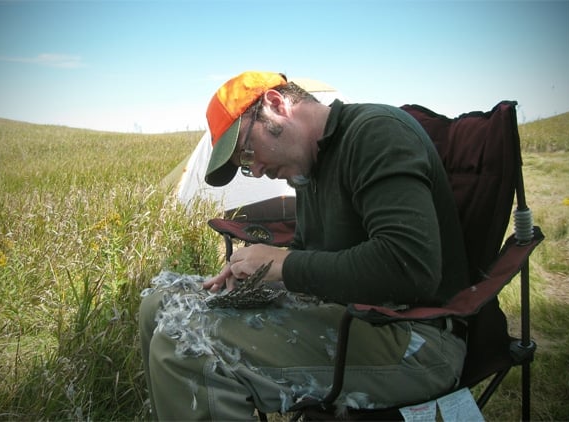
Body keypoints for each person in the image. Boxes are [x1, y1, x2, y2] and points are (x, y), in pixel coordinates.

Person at [140, 71, 470, 420]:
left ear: (276, 104)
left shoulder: (376, 132)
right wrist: (261, 275)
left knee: (183, 345)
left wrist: (283, 263)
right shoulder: (308, 166)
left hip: (414, 337)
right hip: (349, 313)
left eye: (248, 153)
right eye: (246, 167)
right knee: (157, 303)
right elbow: (314, 257)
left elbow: (410, 266)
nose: (259, 169)